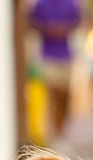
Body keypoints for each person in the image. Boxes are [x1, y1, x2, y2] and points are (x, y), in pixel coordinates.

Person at [29, 0, 82, 143]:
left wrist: (63, 29)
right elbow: (32, 23)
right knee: (51, 93)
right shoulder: (40, 5)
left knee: (64, 94)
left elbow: (78, 21)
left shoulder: (71, 4)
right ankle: (52, 129)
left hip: (66, 55)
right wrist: (48, 30)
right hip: (47, 56)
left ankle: (61, 125)